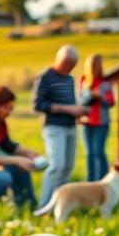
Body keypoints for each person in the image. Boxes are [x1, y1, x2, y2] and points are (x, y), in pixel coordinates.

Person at [33, 44, 88, 207]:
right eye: (68, 64)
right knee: (56, 166)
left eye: (73, 66)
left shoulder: (69, 79)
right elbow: (38, 105)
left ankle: (58, 204)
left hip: (71, 126)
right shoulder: (45, 77)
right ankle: (44, 205)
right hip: (54, 128)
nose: (70, 68)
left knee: (67, 167)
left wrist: (78, 111)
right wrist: (69, 109)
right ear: (61, 60)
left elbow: (70, 102)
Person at [78, 53, 115, 181]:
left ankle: (103, 180)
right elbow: (81, 100)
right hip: (86, 122)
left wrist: (101, 97)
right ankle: (90, 181)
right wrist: (90, 95)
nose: (97, 68)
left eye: (98, 65)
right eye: (94, 65)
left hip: (101, 122)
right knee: (89, 154)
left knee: (98, 152)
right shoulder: (83, 81)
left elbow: (111, 102)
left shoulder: (105, 82)